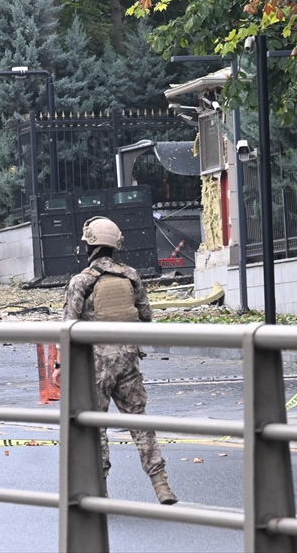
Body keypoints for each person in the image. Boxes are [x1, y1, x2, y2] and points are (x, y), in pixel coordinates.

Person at [50, 215, 177, 505]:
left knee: (96, 427)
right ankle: (161, 486)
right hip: (129, 360)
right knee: (140, 423)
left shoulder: (82, 280)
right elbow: (145, 315)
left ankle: (101, 489)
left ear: (90, 246)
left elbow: (67, 327)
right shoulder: (131, 275)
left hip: (96, 364)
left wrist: (59, 366)